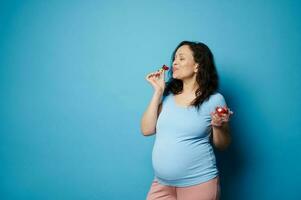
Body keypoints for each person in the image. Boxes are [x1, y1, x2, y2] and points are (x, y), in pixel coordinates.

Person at [141, 41, 233, 200]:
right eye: (174, 58)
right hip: (162, 184)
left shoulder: (214, 100)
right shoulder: (168, 98)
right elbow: (147, 130)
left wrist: (218, 127)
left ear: (197, 65)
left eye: (181, 58)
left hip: (198, 185)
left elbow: (223, 145)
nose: (174, 62)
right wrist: (158, 92)